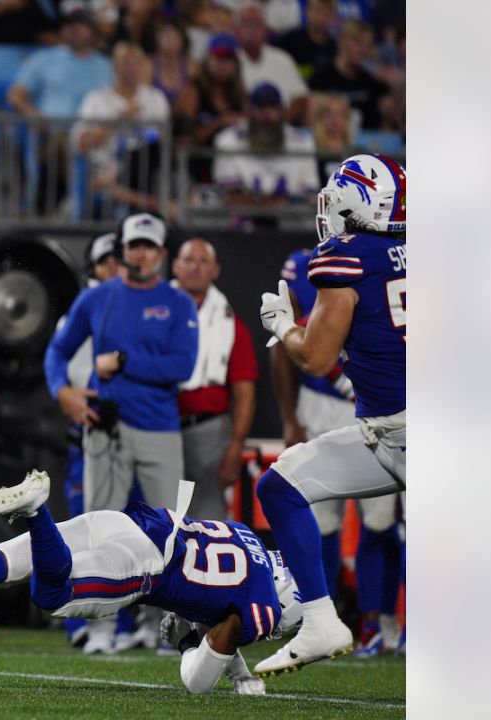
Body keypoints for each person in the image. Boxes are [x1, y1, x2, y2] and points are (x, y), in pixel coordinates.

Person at [0, 471, 300, 697]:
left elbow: (222, 606)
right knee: (51, 595)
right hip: (144, 563)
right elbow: (201, 679)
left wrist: (239, 673)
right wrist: (186, 644)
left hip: (127, 523)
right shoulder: (264, 607)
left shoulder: (247, 536)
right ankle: (37, 511)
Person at [253, 153, 406, 675]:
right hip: (392, 432)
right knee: (280, 485)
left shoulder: (347, 255)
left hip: (401, 430)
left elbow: (315, 357)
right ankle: (322, 622)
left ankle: (324, 617)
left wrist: (283, 327)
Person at [42, 212, 198, 652]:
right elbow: (58, 349)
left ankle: (166, 628)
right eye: (134, 246)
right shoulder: (99, 298)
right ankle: (102, 630)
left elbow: (181, 366)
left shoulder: (178, 302)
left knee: (168, 533)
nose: (140, 254)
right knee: (101, 529)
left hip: (159, 428)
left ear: (162, 254)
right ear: (123, 250)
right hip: (106, 429)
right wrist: (64, 393)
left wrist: (126, 362)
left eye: (149, 246)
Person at [271, 247, 404, 657]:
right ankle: (328, 618)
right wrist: (289, 416)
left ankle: (374, 621)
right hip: (345, 405)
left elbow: (310, 349)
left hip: (381, 409)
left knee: (382, 521)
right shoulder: (332, 258)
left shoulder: (352, 260)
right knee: (319, 517)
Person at [52, 231, 118, 648]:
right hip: (91, 428)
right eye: (106, 260)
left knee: (128, 529)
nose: (114, 267)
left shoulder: (136, 302)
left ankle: (126, 624)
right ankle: (79, 618)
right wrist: (71, 394)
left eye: (120, 259)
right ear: (93, 268)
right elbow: (64, 366)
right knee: (86, 527)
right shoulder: (87, 308)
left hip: (131, 429)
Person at [170, 239, 258, 520]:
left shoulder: (230, 323)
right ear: (175, 266)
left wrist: (234, 449)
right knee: (158, 515)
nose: (196, 267)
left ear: (215, 270)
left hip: (208, 433)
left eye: (203, 261)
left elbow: (245, 393)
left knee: (207, 520)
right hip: (158, 423)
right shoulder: (152, 312)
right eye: (189, 259)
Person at [72, 43, 172, 218]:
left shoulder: (155, 99)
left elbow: (161, 141)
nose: (132, 68)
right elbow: (82, 144)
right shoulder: (96, 99)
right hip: (104, 167)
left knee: (148, 151)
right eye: (126, 63)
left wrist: (143, 130)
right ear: (115, 67)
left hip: (143, 169)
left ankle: (129, 194)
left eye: (137, 63)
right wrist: (116, 123)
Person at [212, 83, 319, 205]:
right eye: (260, 108)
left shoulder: (303, 141)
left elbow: (310, 191)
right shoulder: (227, 140)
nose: (267, 115)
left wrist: (284, 204)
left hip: (290, 216)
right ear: (249, 111)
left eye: (272, 108)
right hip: (243, 216)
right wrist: (264, 204)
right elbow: (229, 194)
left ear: (282, 111)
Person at [8, 9, 112, 121]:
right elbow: (16, 95)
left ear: (93, 31)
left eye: (81, 24)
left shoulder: (106, 65)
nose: (74, 28)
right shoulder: (43, 58)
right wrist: (33, 115)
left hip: (95, 132)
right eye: (68, 24)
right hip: (54, 131)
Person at [234, 2, 308, 125]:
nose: (251, 30)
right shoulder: (229, 60)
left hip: (282, 126)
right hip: (244, 128)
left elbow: (300, 97)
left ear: (266, 29)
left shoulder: (282, 59)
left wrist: (281, 121)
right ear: (235, 30)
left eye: (257, 24)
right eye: (246, 24)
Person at [309, 21, 392, 129]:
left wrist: (394, 85)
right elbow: (313, 118)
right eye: (358, 43)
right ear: (342, 42)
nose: (364, 50)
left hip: (368, 141)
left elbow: (388, 120)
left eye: (368, 45)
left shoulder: (373, 79)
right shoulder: (321, 76)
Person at [276, 0, 338, 81]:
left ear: (332, 16)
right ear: (306, 11)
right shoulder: (290, 39)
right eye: (315, 11)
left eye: (324, 13)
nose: (318, 17)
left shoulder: (334, 47)